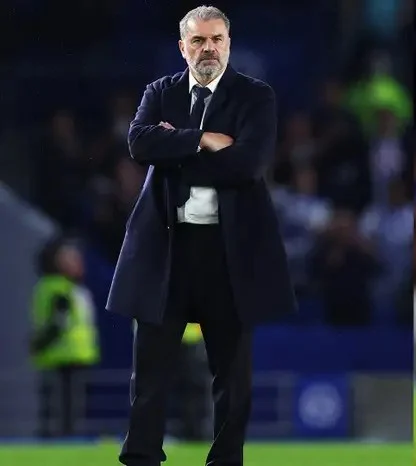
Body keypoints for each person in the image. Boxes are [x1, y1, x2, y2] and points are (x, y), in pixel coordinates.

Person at [106, 6, 297, 466]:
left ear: (228, 44)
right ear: (182, 47)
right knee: (149, 373)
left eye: (216, 39)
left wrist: (175, 146)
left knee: (233, 377)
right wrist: (205, 139)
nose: (208, 48)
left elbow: (248, 165)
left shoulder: (256, 97)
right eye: (198, 41)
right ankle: (141, 459)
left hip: (228, 254)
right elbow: (138, 144)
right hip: (165, 250)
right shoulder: (160, 91)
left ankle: (225, 462)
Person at [30, 236, 100, 438]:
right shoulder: (58, 287)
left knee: (70, 410)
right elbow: (57, 323)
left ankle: (65, 440)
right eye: (70, 258)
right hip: (61, 357)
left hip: (76, 356)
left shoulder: (73, 287)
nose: (78, 262)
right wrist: (40, 344)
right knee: (61, 410)